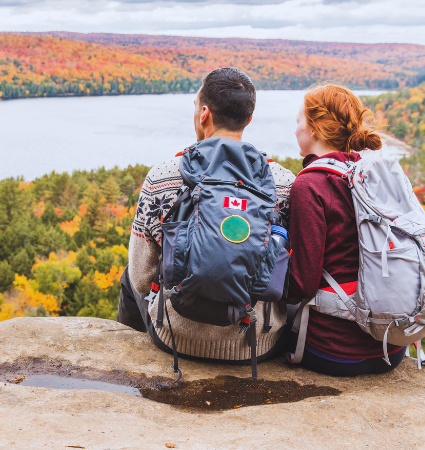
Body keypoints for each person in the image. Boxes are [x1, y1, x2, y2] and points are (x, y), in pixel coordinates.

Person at [117, 68, 295, 365]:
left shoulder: (164, 176)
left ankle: (129, 363)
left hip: (176, 339)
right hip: (256, 345)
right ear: (248, 119)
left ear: (203, 114)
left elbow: (141, 279)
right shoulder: (282, 182)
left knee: (126, 275)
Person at [286, 82, 406, 376]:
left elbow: (303, 284)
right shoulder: (372, 173)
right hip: (391, 347)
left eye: (299, 121)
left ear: (313, 129)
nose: (295, 129)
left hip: (333, 350)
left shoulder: (310, 184)